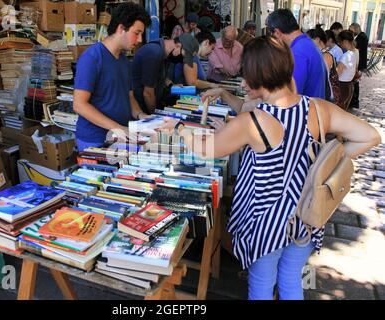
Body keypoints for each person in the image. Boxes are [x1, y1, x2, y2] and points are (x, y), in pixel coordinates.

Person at [160, 36, 380, 300]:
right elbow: (371, 136)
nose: (243, 82)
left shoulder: (253, 121)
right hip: (308, 215)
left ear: (261, 76)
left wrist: (180, 128)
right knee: (290, 278)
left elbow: (207, 149)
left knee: (262, 284)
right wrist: (326, 163)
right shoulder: (319, 109)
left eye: (247, 76)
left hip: (266, 221)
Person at [73, 3, 151, 150]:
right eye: (137, 33)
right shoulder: (92, 57)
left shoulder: (124, 61)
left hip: (119, 138)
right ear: (121, 28)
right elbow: (79, 105)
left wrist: (141, 116)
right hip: (95, 140)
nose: (140, 39)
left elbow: (129, 97)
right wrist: (118, 128)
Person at [266, 9, 326, 99]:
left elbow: (291, 95)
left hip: (305, 110)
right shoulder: (306, 43)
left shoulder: (297, 53)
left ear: (277, 32)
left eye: (270, 34)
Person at [132, 33, 197, 114]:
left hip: (150, 104)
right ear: (178, 46)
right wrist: (155, 116)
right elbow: (148, 94)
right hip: (141, 109)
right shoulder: (154, 53)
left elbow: (158, 75)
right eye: (184, 56)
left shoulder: (166, 54)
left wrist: (171, 85)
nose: (183, 60)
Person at [307, 28, 342, 107]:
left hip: (326, 95)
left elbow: (321, 76)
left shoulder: (326, 55)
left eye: (309, 40)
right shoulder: (320, 53)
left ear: (317, 39)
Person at [337, 30, 359, 110]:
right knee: (343, 110)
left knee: (339, 111)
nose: (339, 44)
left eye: (340, 42)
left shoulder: (346, 56)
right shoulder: (354, 53)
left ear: (345, 41)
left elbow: (337, 73)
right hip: (349, 85)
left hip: (342, 86)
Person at [349, 23, 369, 109]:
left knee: (356, 82)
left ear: (356, 28)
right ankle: (353, 100)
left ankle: (355, 101)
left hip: (359, 62)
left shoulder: (362, 37)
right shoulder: (361, 36)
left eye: (352, 30)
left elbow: (357, 47)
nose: (351, 32)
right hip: (358, 61)